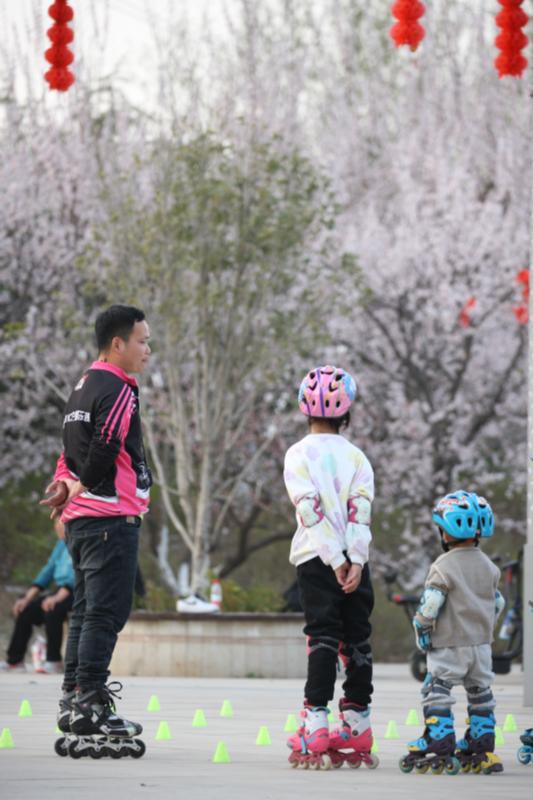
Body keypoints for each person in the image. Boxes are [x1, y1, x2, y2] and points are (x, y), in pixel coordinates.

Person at [40, 304, 152, 755]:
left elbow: (68, 451)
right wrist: (82, 485)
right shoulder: (119, 387)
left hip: (83, 520)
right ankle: (90, 700)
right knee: (106, 613)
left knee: (86, 611)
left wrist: (64, 491)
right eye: (142, 341)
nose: (147, 350)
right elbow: (106, 444)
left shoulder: (81, 387)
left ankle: (73, 699)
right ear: (118, 344)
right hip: (110, 516)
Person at [283, 365, 376, 770]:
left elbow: (309, 512)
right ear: (347, 412)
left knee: (321, 636)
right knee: (357, 639)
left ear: (304, 410)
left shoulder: (297, 454)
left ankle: (316, 722)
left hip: (315, 558)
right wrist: (355, 560)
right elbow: (360, 514)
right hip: (356, 563)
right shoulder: (358, 458)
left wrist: (334, 560)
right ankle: (357, 723)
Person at [400, 491, 504, 775]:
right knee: (480, 692)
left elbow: (432, 602)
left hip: (449, 644)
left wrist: (421, 627)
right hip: (481, 646)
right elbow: (498, 603)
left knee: (437, 689)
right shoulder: (489, 566)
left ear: (446, 532)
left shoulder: (443, 566)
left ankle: (439, 739)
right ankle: (481, 742)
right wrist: (485, 628)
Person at [0, 519, 74, 674]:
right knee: (26, 610)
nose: (56, 528)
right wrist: (27, 598)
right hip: (60, 590)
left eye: (59, 524)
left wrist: (56, 598)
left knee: (52, 609)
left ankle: (54, 660)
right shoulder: (61, 544)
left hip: (77, 591)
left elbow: (75, 575)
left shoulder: (80, 541)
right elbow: (48, 571)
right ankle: (15, 661)